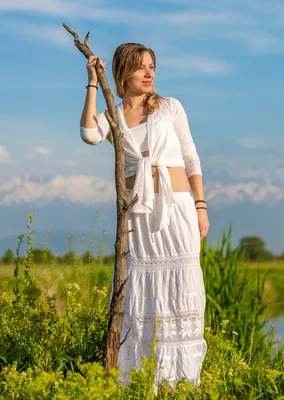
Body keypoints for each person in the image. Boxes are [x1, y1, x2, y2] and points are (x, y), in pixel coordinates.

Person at [79, 43, 209, 388]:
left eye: (152, 66)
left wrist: (201, 205)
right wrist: (93, 81)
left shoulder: (170, 107)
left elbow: (191, 157)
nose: (149, 73)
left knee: (181, 285)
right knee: (138, 287)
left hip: (177, 209)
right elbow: (90, 135)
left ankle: (181, 381)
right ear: (124, 72)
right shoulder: (113, 113)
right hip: (137, 213)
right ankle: (136, 379)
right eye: (141, 67)